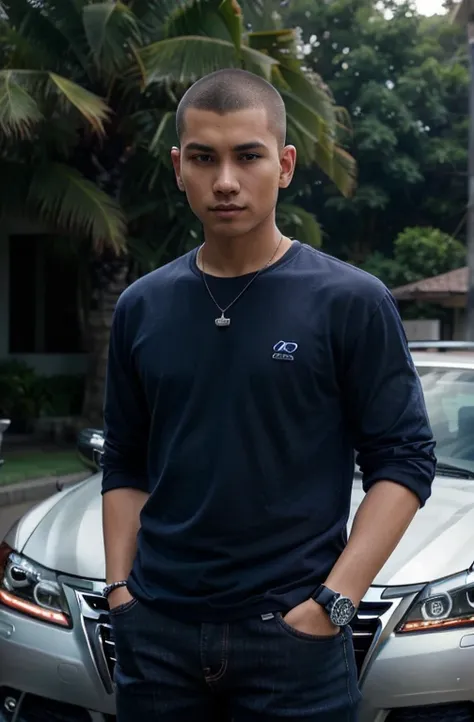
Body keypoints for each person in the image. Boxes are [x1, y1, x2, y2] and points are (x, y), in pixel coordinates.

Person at [101, 68, 436, 722]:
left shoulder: (349, 301)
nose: (225, 180)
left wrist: (332, 605)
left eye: (247, 156)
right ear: (179, 168)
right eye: (204, 158)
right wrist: (121, 594)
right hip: (158, 636)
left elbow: (404, 460)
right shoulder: (141, 307)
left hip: (293, 645)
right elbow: (126, 461)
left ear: (283, 164)